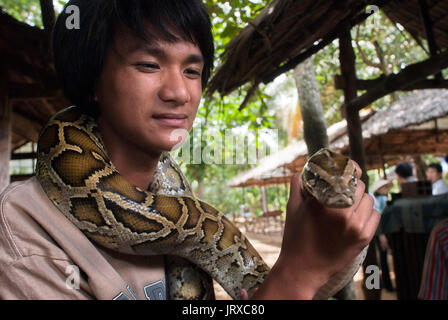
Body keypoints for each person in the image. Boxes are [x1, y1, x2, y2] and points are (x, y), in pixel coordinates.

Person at [0, 0, 379, 300]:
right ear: (93, 80)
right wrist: (298, 276)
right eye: (149, 64)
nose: (178, 93)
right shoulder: (21, 228)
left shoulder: (185, 210)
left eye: (192, 71)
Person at [370, 179, 394, 292]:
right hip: (379, 233)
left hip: (379, 233)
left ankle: (379, 284)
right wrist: (381, 235)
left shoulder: (380, 199)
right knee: (381, 259)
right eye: (384, 188)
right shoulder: (380, 200)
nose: (386, 190)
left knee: (380, 259)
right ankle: (384, 285)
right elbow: (377, 218)